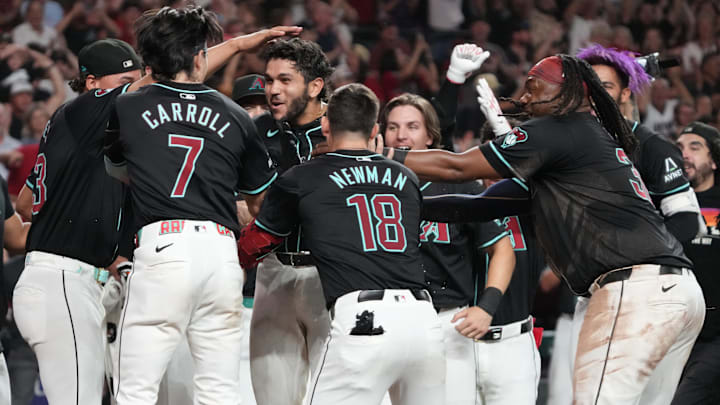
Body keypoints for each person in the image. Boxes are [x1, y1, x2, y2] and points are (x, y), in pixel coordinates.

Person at [13, 12, 300, 405]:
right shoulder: (97, 108)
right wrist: (234, 45)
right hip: (74, 275)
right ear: (92, 84)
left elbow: (25, 203)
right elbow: (260, 201)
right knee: (210, 390)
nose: (137, 84)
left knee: (132, 392)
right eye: (125, 80)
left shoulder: (103, 119)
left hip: (118, 264)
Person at [385, 53, 705, 404]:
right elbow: (476, 206)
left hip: (635, 291)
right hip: (677, 292)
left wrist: (373, 152)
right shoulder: (577, 149)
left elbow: (456, 167)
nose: (523, 98)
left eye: (533, 88)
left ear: (562, 91)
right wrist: (411, 208)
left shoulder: (559, 128)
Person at [102, 7, 284, 404]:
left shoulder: (129, 105)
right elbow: (261, 203)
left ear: (149, 61)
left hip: (164, 246)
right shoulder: (238, 115)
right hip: (221, 253)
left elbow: (117, 170)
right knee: (219, 391)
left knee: (136, 390)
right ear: (200, 56)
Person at [237, 83, 445, 405]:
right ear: (375, 129)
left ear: (325, 126)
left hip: (365, 320)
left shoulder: (303, 177)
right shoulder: (406, 178)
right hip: (424, 321)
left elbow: (255, 246)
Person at [380, 92, 517, 405]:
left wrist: (487, 306)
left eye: (412, 127)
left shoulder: (460, 184)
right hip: (388, 319)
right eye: (392, 127)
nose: (401, 135)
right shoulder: (370, 185)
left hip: (447, 322)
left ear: (430, 135)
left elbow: (502, 248)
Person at [249, 37, 334, 405]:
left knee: (336, 397)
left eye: (285, 80)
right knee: (272, 397)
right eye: (269, 81)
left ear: (315, 86)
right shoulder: (256, 131)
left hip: (331, 276)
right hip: (275, 273)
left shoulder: (346, 129)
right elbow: (252, 204)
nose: (273, 90)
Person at [672, 122, 720, 404]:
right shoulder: (660, 203)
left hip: (715, 333)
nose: (684, 155)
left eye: (694, 147)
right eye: (678, 148)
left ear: (714, 160)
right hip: (672, 331)